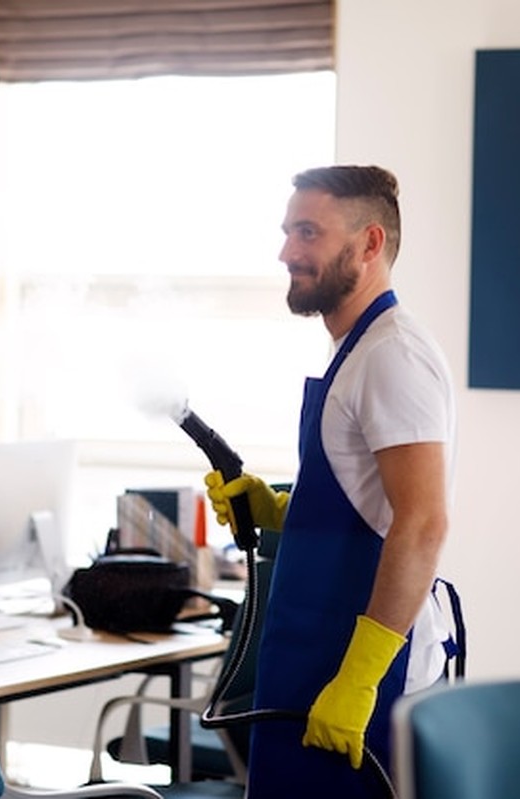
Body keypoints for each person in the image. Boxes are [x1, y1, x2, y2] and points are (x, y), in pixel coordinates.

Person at [205, 164, 459, 797]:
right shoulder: (357, 348)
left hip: (355, 673)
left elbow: (423, 523)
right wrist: (277, 509)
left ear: (369, 244)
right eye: (289, 231)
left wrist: (360, 679)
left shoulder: (391, 356)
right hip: (315, 655)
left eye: (308, 233)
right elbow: (365, 507)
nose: (288, 252)